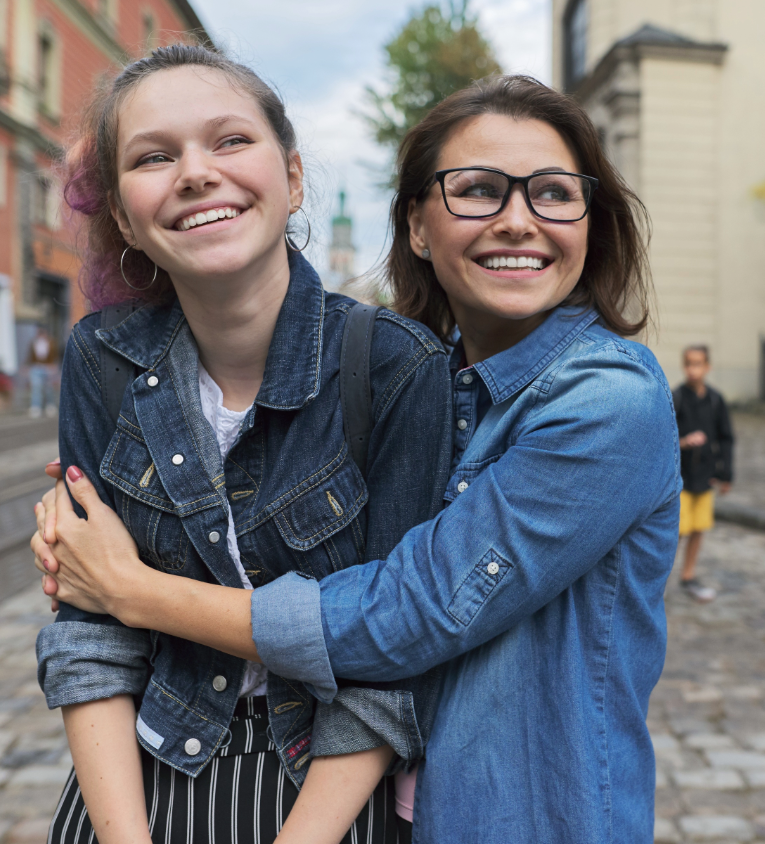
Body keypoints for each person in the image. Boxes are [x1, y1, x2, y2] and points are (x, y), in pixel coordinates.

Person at [32, 75, 680, 843]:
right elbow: (89, 639)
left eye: (552, 192)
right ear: (416, 226)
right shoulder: (433, 373)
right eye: (476, 190)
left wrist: (131, 588)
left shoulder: (607, 400)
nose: (517, 220)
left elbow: (405, 614)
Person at [32, 45, 454, 844]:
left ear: (292, 179)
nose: (195, 172)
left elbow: (392, 655)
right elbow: (88, 630)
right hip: (141, 777)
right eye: (154, 156)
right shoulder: (102, 357)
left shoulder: (396, 364)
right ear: (123, 214)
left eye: (229, 141)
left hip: (325, 793)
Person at [674, 344, 734, 602]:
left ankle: (688, 575)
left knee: (699, 528)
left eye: (698, 364)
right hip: (681, 478)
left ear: (707, 367)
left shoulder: (715, 399)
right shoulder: (676, 397)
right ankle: (656, 583)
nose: (693, 369)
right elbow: (663, 439)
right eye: (689, 363)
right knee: (676, 532)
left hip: (705, 475)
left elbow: (726, 438)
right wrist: (684, 442)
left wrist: (725, 474)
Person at [27, 328, 56, 418]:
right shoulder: (34, 343)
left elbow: (54, 354)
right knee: (36, 388)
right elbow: (30, 355)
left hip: (48, 367)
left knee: (49, 388)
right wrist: (28, 366)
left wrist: (53, 365)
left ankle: (50, 405)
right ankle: (36, 407)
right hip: (36, 367)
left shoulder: (51, 343)